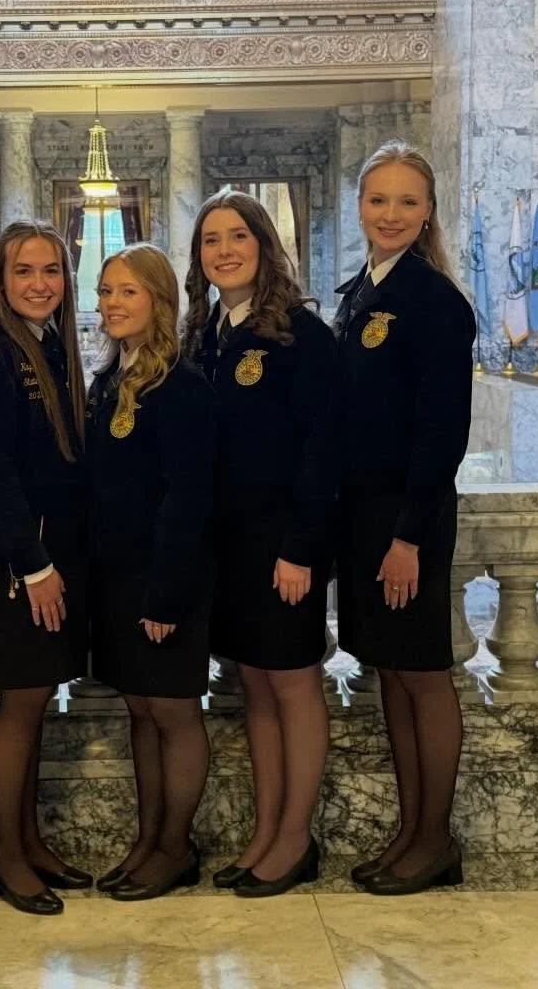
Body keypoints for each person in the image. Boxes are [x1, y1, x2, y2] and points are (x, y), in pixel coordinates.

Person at [181, 191, 338, 899]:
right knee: (255, 687)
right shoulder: (204, 333)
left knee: (294, 683)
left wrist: (301, 548)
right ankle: (267, 830)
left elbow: (321, 453)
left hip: (284, 545)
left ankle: (296, 838)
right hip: (229, 547)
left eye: (237, 236)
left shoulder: (303, 335)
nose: (224, 251)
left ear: (264, 244)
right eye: (211, 240)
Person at [332, 141, 476, 896]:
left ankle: (434, 840)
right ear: (361, 206)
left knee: (422, 674)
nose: (390, 214)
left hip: (404, 522)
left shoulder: (435, 301)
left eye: (407, 202)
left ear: (428, 214)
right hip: (361, 517)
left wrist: (408, 537)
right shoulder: (361, 289)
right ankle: (409, 831)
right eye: (378, 199)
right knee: (390, 672)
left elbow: (441, 434)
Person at [0, 220, 91, 916]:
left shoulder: (49, 346)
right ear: (1, 281)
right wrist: (34, 566)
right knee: (19, 702)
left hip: (49, 553)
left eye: (51, 271)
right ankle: (7, 858)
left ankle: (29, 842)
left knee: (35, 700)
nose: (39, 284)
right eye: (24, 271)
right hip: (16, 562)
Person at [86, 244, 215, 902]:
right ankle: (147, 839)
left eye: (127, 292)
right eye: (106, 291)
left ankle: (175, 848)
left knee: (172, 711)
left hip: (165, 577)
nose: (112, 303)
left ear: (159, 300)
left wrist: (165, 594)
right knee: (139, 709)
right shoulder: (109, 379)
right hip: (116, 579)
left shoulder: (182, 386)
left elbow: (187, 499)